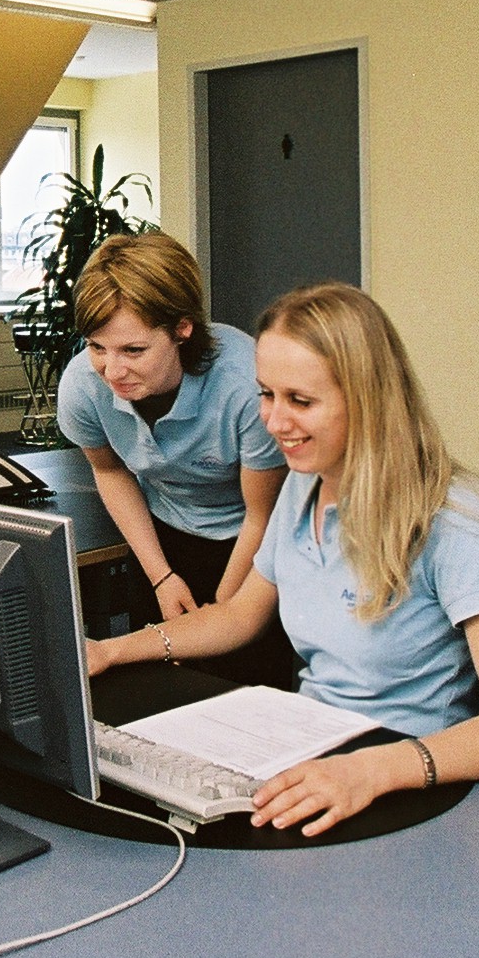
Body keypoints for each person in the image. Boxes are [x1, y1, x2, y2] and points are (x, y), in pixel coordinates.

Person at [85, 282, 479, 834]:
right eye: (267, 394)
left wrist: (372, 771)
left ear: (368, 399)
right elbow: (238, 617)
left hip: (409, 778)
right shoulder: (303, 487)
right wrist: (111, 651)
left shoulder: (452, 522)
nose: (274, 421)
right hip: (317, 751)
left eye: (300, 402)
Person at [54, 233, 291, 684]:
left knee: (242, 688)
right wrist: (161, 577)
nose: (112, 371)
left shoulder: (247, 385)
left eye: (133, 350)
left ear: (182, 329)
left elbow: (262, 515)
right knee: (157, 685)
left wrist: (217, 614)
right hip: (163, 534)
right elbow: (109, 470)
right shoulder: (83, 385)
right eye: (97, 347)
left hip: (248, 539)